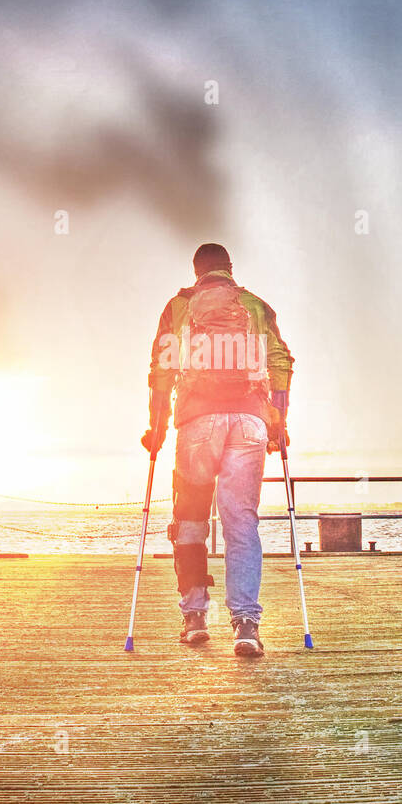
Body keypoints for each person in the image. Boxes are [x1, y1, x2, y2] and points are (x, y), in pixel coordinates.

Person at [142, 243, 293, 657]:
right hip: (249, 421)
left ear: (197, 272)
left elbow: (162, 367)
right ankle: (246, 625)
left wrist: (156, 426)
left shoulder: (179, 307)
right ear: (229, 269)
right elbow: (280, 361)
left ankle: (194, 616)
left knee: (190, 519)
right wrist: (278, 421)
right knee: (241, 522)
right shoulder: (255, 306)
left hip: (197, 422)